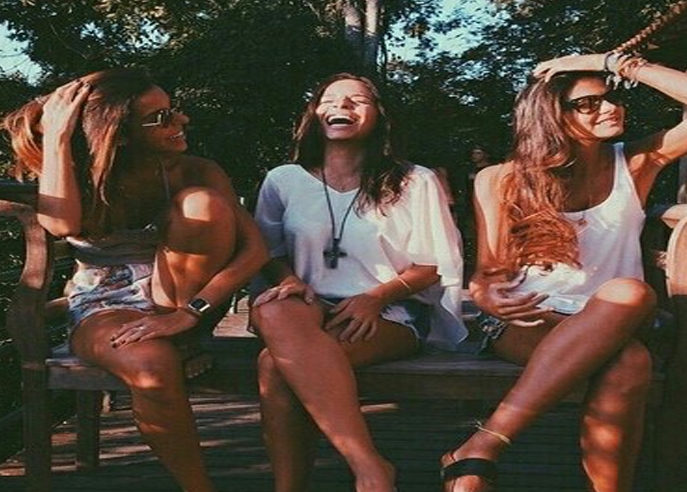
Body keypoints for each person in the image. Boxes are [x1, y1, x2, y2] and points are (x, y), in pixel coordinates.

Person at [2, 68, 268, 492]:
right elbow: (60, 224)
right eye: (160, 118)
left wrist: (190, 312)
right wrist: (57, 136)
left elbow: (255, 250)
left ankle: (182, 340)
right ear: (119, 135)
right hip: (105, 302)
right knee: (151, 366)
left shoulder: (196, 171)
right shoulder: (81, 178)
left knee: (203, 203)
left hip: (186, 301)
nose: (181, 121)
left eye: (174, 110)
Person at [440, 53, 687, 492]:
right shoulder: (501, 178)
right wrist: (487, 295)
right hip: (530, 319)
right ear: (551, 114)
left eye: (611, 98)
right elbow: (489, 273)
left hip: (617, 320)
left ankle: (482, 445)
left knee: (629, 303)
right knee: (631, 345)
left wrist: (614, 62)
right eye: (587, 104)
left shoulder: (635, 163)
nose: (609, 108)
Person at [250, 72, 464, 492]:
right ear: (314, 114)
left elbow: (431, 265)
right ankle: (369, 467)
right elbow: (267, 252)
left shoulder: (415, 180)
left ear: (379, 115)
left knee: (274, 365)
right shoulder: (283, 179)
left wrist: (374, 298)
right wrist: (290, 279)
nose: (342, 107)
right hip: (306, 307)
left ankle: (314, 483)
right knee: (274, 308)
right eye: (329, 100)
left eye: (357, 100)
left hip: (388, 311)